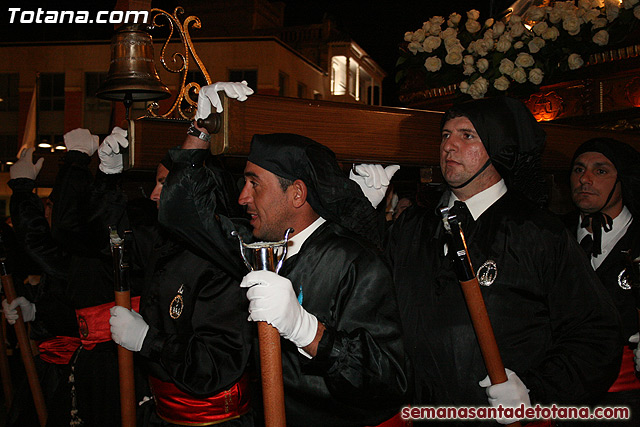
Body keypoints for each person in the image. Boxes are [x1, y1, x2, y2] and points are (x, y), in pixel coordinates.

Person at [354, 96, 622, 425]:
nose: (449, 146)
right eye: (445, 135)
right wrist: (358, 213)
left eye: (467, 135)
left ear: (499, 147)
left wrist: (534, 388)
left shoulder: (537, 232)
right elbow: (365, 298)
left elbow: (596, 335)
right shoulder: (413, 227)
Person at [157, 82, 409, 427]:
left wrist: (308, 332)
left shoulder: (354, 261)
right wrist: (201, 128)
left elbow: (387, 380)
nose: (243, 197)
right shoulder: (254, 250)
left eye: (254, 183)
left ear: (296, 194)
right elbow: (179, 212)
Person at [109, 152, 255, 427]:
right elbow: (96, 235)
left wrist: (147, 340)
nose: (153, 194)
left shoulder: (222, 260)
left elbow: (213, 364)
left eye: (165, 184)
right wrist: (106, 177)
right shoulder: (166, 246)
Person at [565, 138, 640, 424]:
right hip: (563, 394)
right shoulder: (549, 234)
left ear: (624, 179)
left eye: (600, 171)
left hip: (628, 399)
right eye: (578, 169)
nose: (584, 179)